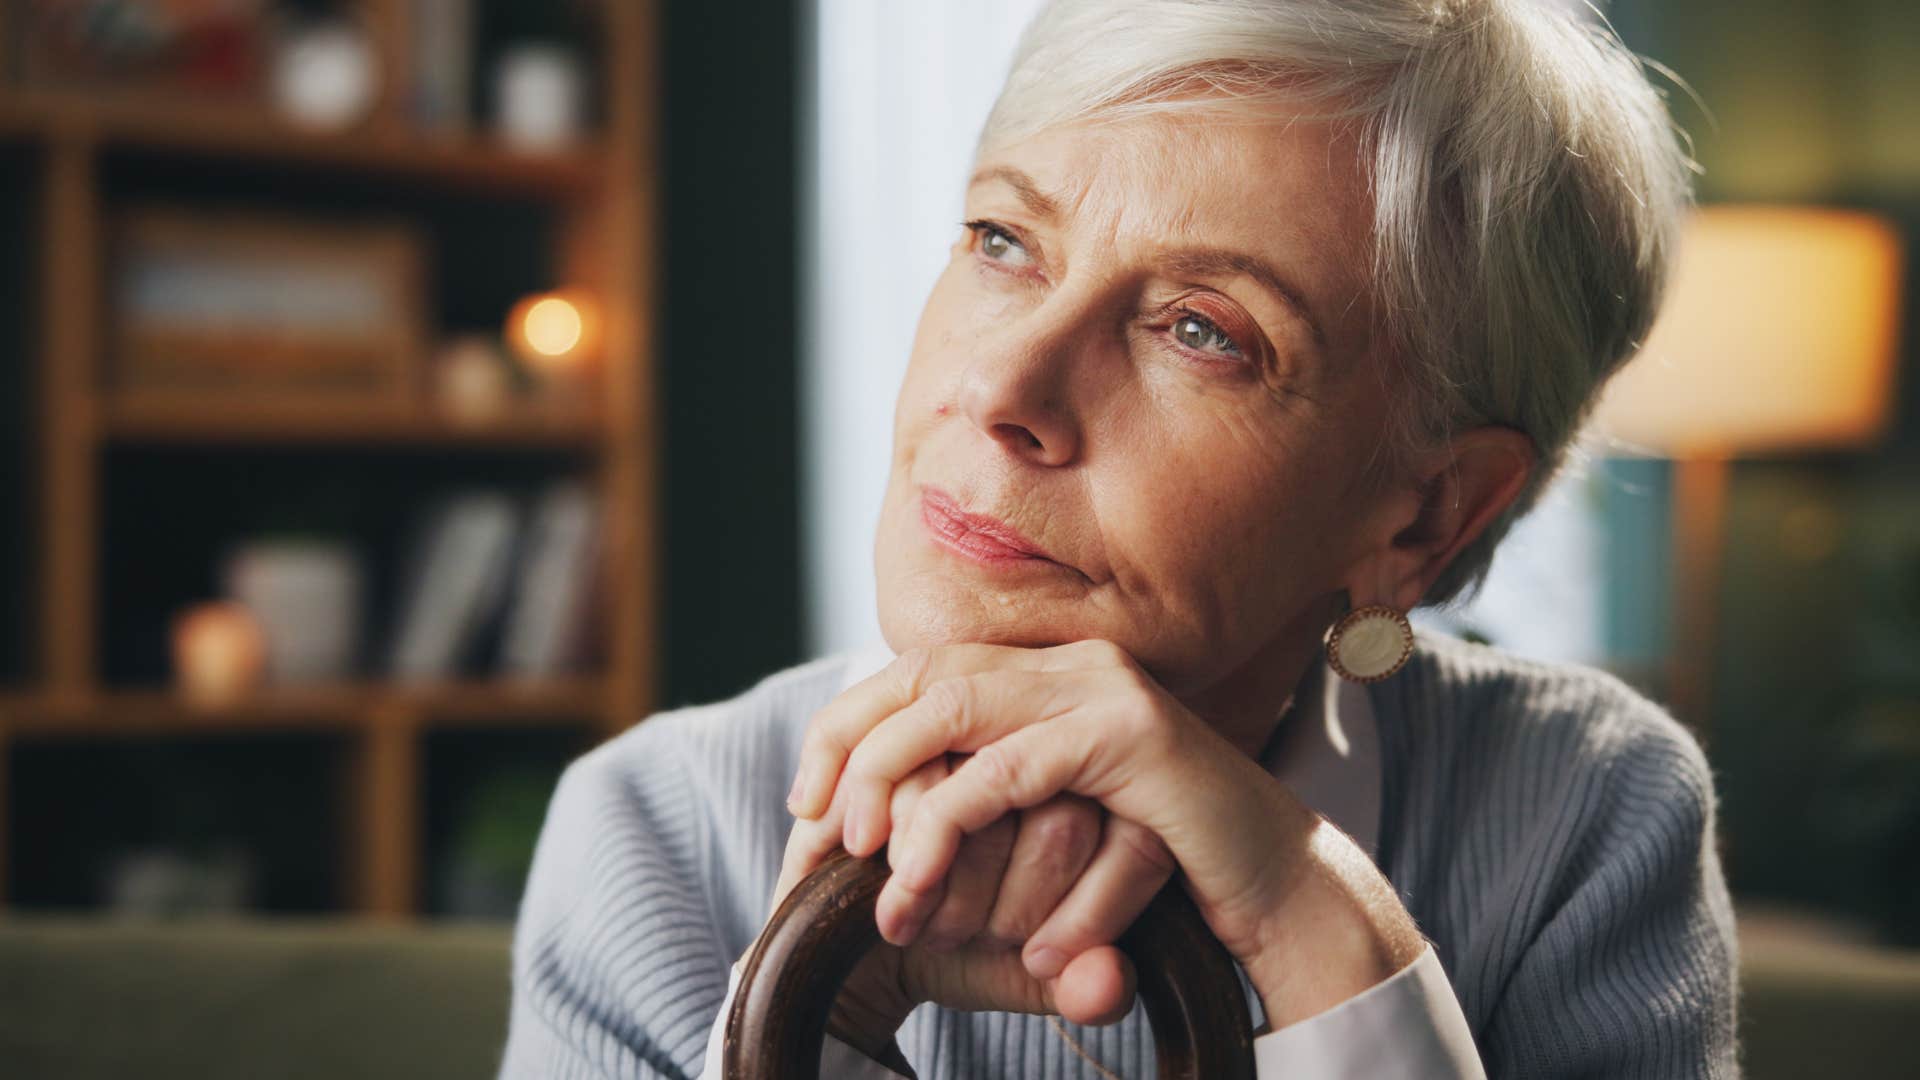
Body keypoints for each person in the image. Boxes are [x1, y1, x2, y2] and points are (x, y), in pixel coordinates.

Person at [500, 0, 1737, 1075]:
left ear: (1426, 514)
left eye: (1202, 330)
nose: (1001, 388)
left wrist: (1322, 932)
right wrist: (810, 1024)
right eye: (1004, 243)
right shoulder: (657, 831)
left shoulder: (1583, 817)